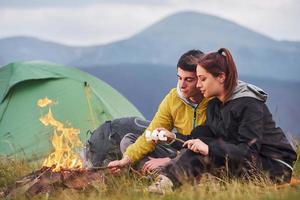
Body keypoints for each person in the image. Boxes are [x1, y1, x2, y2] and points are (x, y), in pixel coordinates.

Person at [148, 48, 297, 194]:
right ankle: (167, 180)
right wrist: (172, 138)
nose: (199, 85)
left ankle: (167, 184)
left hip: (275, 168)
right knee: (201, 135)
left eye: (203, 79)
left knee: (203, 149)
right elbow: (201, 137)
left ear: (221, 77)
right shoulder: (214, 105)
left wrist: (209, 150)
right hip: (245, 163)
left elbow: (249, 153)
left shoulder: (249, 104)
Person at [108, 49, 210, 174]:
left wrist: (171, 159)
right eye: (179, 78)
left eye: (189, 80)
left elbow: (212, 144)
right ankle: (160, 174)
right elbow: (152, 132)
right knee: (129, 140)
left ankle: (162, 175)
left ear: (201, 79)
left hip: (203, 155)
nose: (182, 85)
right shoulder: (173, 99)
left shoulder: (214, 100)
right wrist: (126, 160)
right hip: (179, 149)